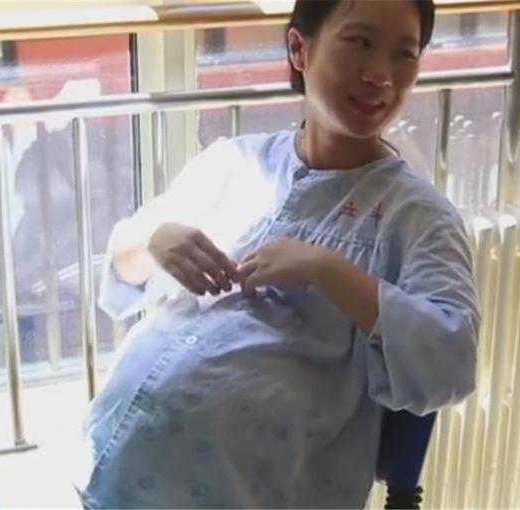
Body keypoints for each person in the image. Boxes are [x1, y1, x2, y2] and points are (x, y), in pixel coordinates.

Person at [76, 0, 481, 507]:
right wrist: (155, 238)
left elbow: (451, 358)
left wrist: (329, 270)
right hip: (108, 472)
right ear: (299, 48)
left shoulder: (418, 218)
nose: (381, 75)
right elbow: (124, 269)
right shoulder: (233, 162)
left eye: (405, 53)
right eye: (360, 42)